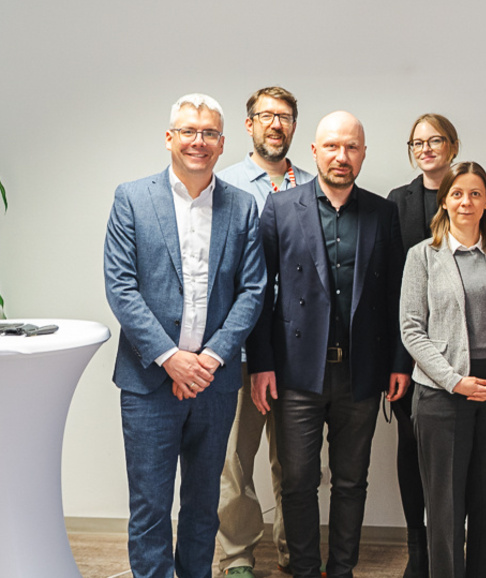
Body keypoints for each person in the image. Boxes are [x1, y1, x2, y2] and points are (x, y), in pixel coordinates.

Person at [103, 93, 266, 578]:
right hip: (148, 383)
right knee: (151, 507)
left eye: (209, 133)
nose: (199, 141)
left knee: (202, 504)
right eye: (189, 131)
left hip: (214, 385)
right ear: (170, 137)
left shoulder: (242, 207)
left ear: (222, 143)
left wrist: (210, 358)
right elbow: (121, 287)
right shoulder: (131, 198)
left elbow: (253, 290)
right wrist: (171, 358)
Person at [246, 111, 413, 578]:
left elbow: (397, 294)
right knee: (297, 482)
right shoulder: (281, 208)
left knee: (351, 481)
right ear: (315, 151)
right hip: (297, 372)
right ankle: (303, 569)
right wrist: (261, 364)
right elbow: (259, 293)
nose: (343, 156)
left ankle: (341, 570)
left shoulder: (383, 212)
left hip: (361, 372)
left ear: (363, 153)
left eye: (352, 147)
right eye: (333, 147)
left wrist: (399, 362)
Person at [400, 161, 486, 578]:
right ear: (445, 201)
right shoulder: (422, 255)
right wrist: (455, 381)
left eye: (475, 193)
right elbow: (411, 330)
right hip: (442, 396)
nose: (466, 201)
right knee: (445, 510)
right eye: (457, 193)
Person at [215, 85, 314, 578]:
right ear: (249, 124)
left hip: (298, 348)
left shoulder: (315, 186)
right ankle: (236, 557)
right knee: (236, 458)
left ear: (295, 125)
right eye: (266, 116)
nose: (276, 124)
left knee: (295, 461)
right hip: (239, 347)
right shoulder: (224, 185)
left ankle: (296, 552)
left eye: (286, 116)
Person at [387, 112, 461, 577]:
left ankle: (451, 546)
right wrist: (397, 360)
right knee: (411, 451)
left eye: (436, 141)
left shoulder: (471, 191)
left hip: (464, 350)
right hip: (411, 351)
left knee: (459, 458)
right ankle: (419, 546)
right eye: (418, 143)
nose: (426, 149)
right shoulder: (398, 202)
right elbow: (392, 287)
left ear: (453, 146)